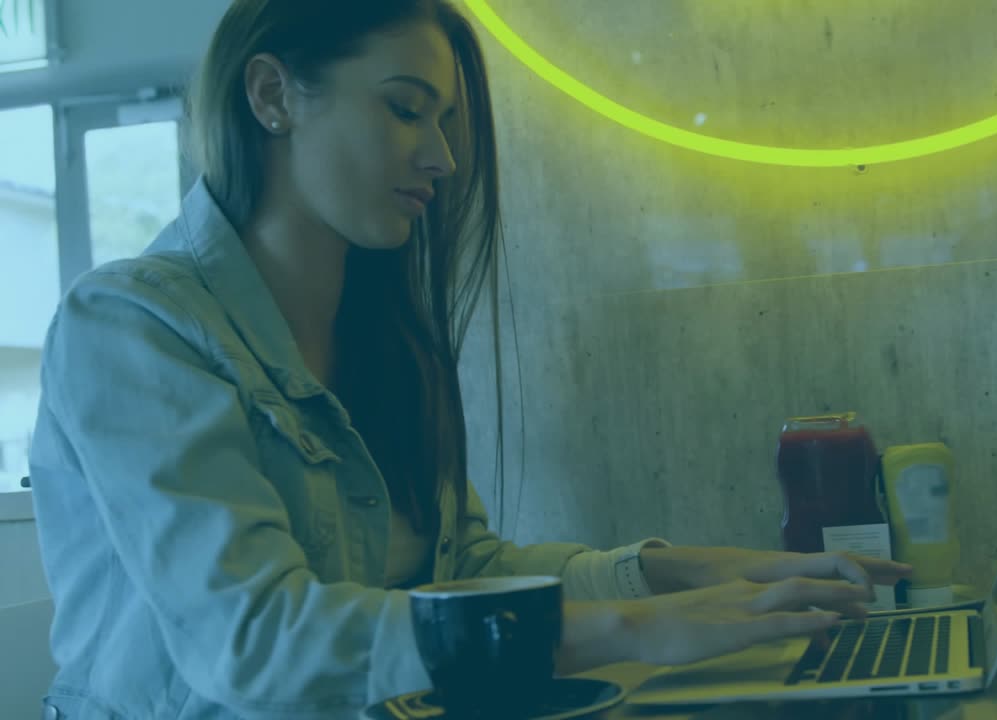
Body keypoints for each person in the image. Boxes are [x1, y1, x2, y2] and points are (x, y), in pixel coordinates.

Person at [28, 1, 912, 718]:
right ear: (273, 95)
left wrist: (681, 570)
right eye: (406, 108)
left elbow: (467, 577)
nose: (444, 156)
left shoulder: (388, 340)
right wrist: (637, 627)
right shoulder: (131, 326)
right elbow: (257, 639)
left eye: (445, 121)